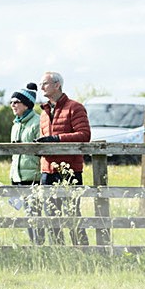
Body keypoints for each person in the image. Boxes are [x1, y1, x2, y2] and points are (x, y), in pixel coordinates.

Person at [37, 71, 91, 245]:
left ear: (57, 85)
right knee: (51, 214)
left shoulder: (75, 107)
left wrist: (57, 139)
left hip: (70, 169)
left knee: (72, 213)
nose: (41, 87)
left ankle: (81, 249)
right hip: (47, 170)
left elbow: (84, 135)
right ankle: (58, 251)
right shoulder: (44, 113)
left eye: (44, 83)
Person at [9, 82, 44, 244]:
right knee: (27, 214)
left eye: (16, 102)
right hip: (18, 176)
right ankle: (33, 245)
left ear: (27, 104)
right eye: (11, 102)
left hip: (33, 176)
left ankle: (40, 245)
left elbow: (43, 151)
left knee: (35, 214)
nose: (12, 105)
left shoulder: (37, 122)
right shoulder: (16, 124)